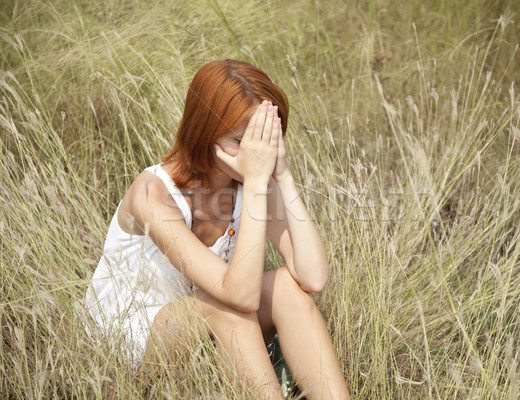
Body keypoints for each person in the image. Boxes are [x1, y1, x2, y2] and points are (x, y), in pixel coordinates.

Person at [84, 59, 351, 399]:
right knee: (226, 308)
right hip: (130, 337)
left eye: (265, 137)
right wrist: (256, 182)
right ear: (206, 134)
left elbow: (313, 277)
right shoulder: (152, 192)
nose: (258, 152)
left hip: (199, 324)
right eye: (243, 140)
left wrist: (281, 174)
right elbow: (240, 295)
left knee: (286, 285)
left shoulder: (249, 181)